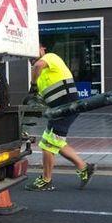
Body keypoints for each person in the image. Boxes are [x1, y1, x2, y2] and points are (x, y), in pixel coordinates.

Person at [25, 43, 95, 191]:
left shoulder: (50, 57)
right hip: (57, 110)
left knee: (48, 144)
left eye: (34, 49)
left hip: (68, 106)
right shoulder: (41, 75)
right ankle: (84, 168)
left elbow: (37, 66)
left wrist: (33, 86)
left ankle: (46, 180)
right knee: (53, 141)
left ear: (43, 48)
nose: (32, 55)